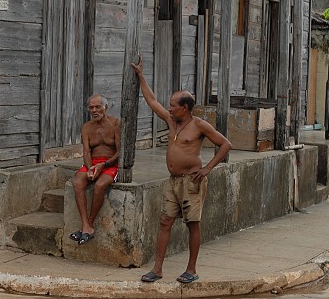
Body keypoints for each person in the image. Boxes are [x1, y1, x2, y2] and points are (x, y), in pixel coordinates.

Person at [131, 55, 232, 284]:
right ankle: (157, 269)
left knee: (192, 224)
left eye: (174, 105)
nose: (169, 108)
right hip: (173, 181)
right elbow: (152, 101)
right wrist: (141, 77)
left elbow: (225, 144)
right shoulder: (170, 120)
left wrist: (207, 168)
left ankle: (191, 269)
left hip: (191, 181)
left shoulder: (199, 125)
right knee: (165, 222)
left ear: (185, 108)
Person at [68, 94, 120, 246]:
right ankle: (86, 225)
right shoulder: (86, 127)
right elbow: (86, 151)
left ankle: (88, 225)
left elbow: (120, 151)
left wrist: (103, 166)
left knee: (99, 186)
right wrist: (91, 168)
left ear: (106, 107)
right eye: (91, 107)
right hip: (93, 163)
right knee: (77, 182)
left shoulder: (116, 124)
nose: (94, 110)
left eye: (98, 107)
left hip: (110, 164)